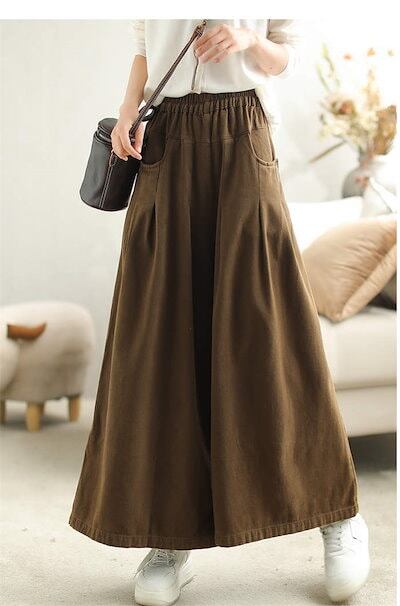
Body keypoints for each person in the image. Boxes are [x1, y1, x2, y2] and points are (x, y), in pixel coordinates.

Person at [69, 19, 370, 605]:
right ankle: (170, 535)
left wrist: (249, 41)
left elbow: (288, 58)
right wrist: (128, 112)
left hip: (243, 132)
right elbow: (144, 48)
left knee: (276, 332)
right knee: (162, 335)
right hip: (165, 140)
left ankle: (338, 514)